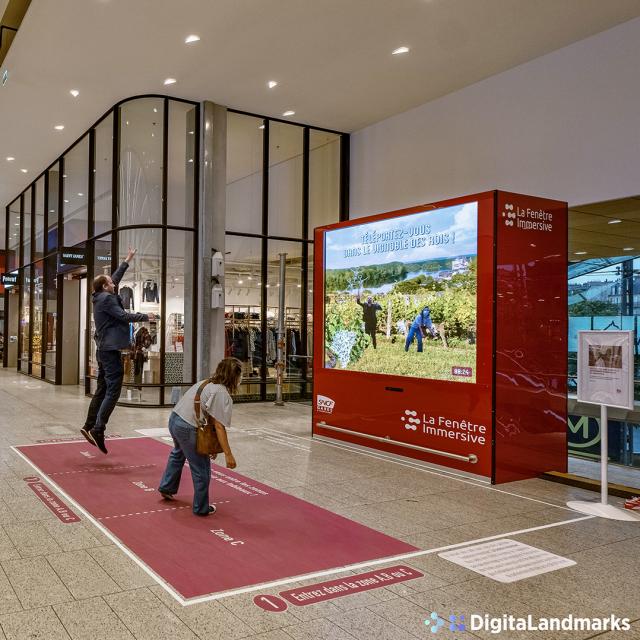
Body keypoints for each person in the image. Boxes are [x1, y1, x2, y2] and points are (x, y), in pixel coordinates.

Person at [81, 248, 154, 454]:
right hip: (110, 349)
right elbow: (122, 316)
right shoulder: (107, 299)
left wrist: (127, 260)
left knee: (102, 388)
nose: (115, 283)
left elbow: (114, 277)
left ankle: (88, 426)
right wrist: (144, 317)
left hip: (103, 348)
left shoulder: (99, 295)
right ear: (106, 287)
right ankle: (98, 429)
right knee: (114, 389)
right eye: (111, 283)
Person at [158, 358, 241, 516]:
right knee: (201, 468)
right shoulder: (221, 392)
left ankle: (166, 487)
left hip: (175, 419)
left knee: (178, 454)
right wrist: (228, 455)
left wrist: (211, 444)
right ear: (233, 376)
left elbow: (209, 417)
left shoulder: (207, 383)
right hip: (187, 427)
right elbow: (219, 425)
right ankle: (201, 508)